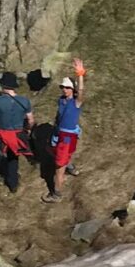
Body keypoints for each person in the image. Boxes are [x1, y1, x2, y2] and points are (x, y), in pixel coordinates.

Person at [0, 72, 32, 196]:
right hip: (17, 135)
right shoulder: (24, 101)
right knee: (13, 159)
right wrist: (28, 130)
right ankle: (13, 184)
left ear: (3, 85)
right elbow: (31, 119)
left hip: (1, 134)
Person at [43, 59, 86, 203]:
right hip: (59, 133)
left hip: (67, 137)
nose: (64, 89)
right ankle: (70, 166)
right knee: (50, 149)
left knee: (58, 167)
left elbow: (81, 91)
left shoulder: (76, 102)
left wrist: (80, 74)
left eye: (67, 87)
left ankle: (56, 194)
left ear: (72, 89)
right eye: (63, 87)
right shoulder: (61, 100)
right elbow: (59, 115)